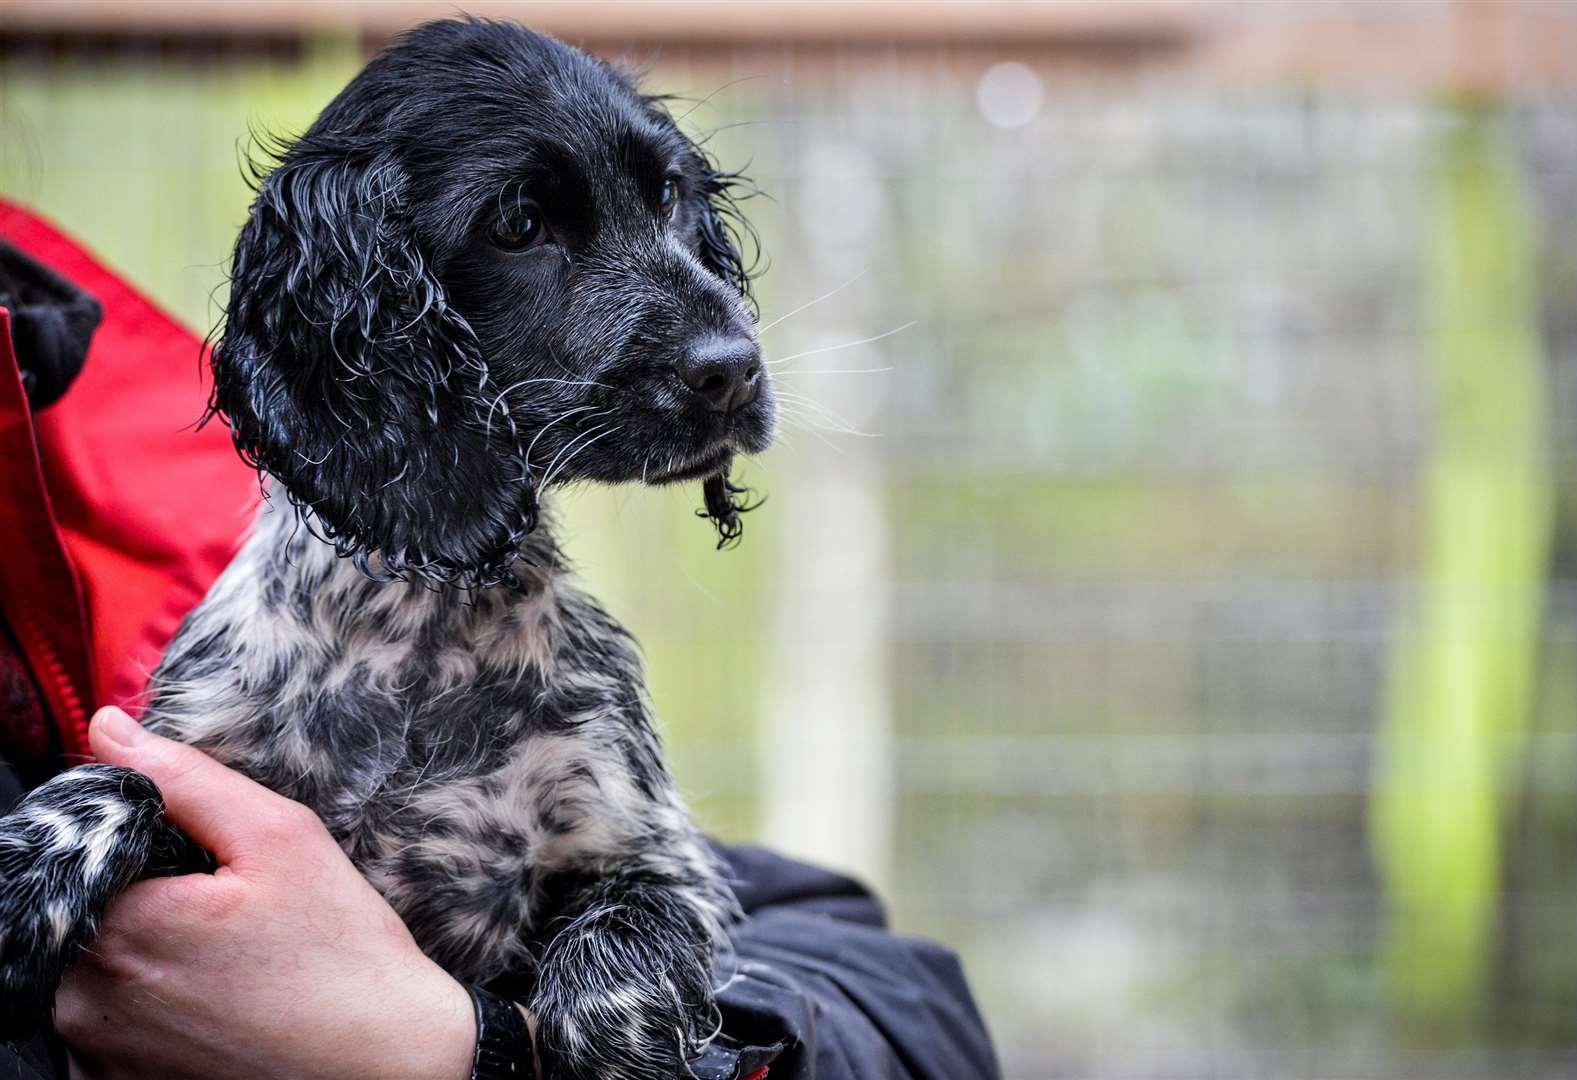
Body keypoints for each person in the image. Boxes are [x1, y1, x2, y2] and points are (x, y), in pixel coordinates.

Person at [0, 201, 1001, 1080]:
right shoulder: (247, 549)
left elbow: (900, 994)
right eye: (525, 229)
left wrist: (463, 1050)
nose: (728, 345)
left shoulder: (115, 446)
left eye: (669, 208)